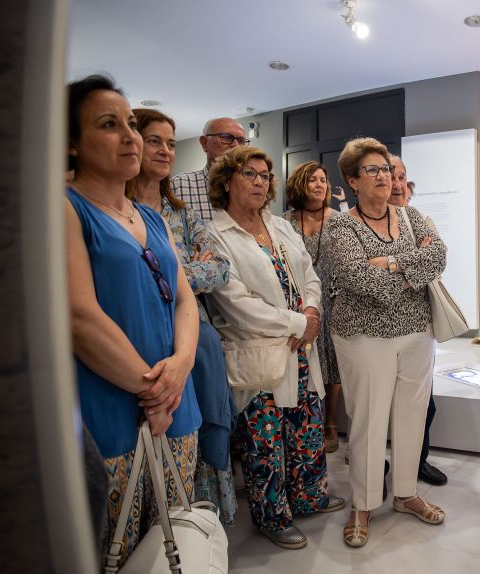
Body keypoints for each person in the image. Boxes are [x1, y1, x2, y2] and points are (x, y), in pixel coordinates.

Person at [64, 74, 201, 567]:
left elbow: (185, 301)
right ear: (72, 144)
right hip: (112, 407)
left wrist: (181, 366)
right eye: (108, 125)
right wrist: (154, 391)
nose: (130, 137)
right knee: (114, 550)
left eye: (130, 124)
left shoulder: (154, 216)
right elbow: (80, 317)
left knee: (171, 546)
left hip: (176, 401)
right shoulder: (64, 208)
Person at [206, 146, 344, 550]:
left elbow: (308, 273)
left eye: (265, 176)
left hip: (300, 349)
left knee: (305, 427)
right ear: (227, 180)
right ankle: (273, 516)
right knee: (263, 440)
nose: (260, 182)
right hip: (259, 353)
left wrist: (313, 309)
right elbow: (234, 301)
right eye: (250, 174)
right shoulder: (216, 233)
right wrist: (300, 322)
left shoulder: (278, 225)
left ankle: (308, 496)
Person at [326, 137, 447, 548]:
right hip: (363, 336)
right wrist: (409, 271)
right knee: (368, 420)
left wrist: (391, 263)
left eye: (387, 169)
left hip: (417, 333)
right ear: (352, 179)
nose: (384, 176)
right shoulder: (341, 225)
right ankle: (362, 505)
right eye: (372, 170)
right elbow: (358, 280)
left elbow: (440, 257)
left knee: (412, 415)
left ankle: (406, 493)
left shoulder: (412, 217)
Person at [125, 108, 237, 525]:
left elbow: (221, 269)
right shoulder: (114, 207)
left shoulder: (181, 212)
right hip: (139, 333)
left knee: (204, 420)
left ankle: (200, 518)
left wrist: (163, 268)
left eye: (172, 143)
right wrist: (184, 267)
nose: (165, 150)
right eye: (155, 141)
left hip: (193, 333)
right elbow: (130, 274)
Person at [388, 156, 447, 487]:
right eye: (390, 177)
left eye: (402, 178)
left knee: (426, 404)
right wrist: (414, 261)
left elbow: (437, 258)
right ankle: (379, 466)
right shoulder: (364, 224)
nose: (397, 185)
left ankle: (415, 462)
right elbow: (367, 272)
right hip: (379, 330)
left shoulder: (421, 220)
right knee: (381, 407)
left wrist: (395, 266)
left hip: (418, 326)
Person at [282, 161, 344, 453]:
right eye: (313, 180)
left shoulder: (340, 220)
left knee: (334, 362)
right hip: (300, 303)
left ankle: (330, 422)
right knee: (306, 358)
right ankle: (307, 419)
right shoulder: (285, 221)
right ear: (300, 185)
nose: (320, 185)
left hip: (334, 299)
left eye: (323, 180)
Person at [171, 117, 248, 221]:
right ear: (204, 143)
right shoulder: (179, 186)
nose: (236, 145)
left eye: (241, 140)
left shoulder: (251, 188)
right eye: (226, 137)